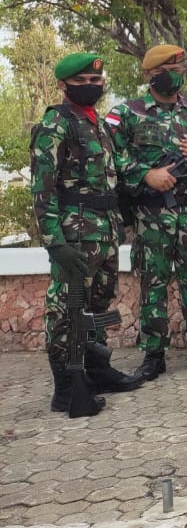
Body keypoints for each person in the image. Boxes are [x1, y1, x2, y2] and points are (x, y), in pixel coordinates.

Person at [106, 44, 187, 378]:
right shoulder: (127, 114)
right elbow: (109, 156)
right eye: (170, 71)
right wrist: (145, 173)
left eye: (180, 70)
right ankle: (153, 354)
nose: (177, 76)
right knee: (153, 282)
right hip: (152, 213)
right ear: (150, 75)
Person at [31, 53, 142, 416]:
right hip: (74, 234)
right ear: (64, 85)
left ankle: (96, 371)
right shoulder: (56, 124)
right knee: (66, 309)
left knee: (98, 305)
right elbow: (42, 190)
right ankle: (66, 388)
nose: (92, 86)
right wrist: (54, 243)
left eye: (96, 80)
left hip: (104, 230)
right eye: (81, 81)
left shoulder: (99, 125)